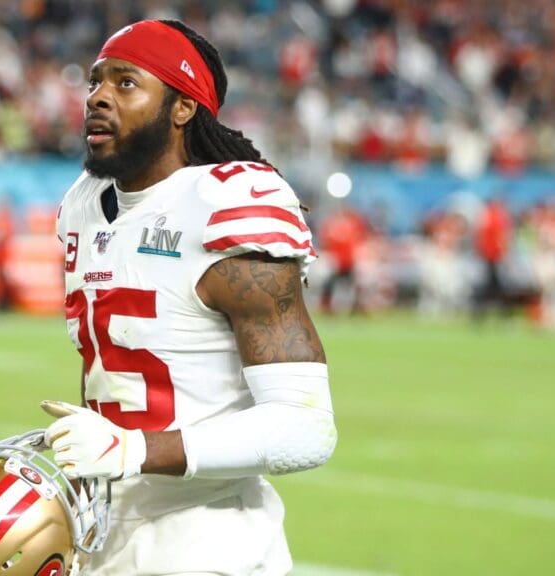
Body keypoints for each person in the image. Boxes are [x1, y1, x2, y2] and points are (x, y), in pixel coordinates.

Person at [42, 20, 336, 576]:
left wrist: (133, 450)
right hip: (108, 533)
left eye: (126, 83)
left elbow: (306, 428)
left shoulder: (225, 205)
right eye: (96, 81)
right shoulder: (85, 204)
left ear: (182, 107)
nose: (98, 96)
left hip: (210, 541)